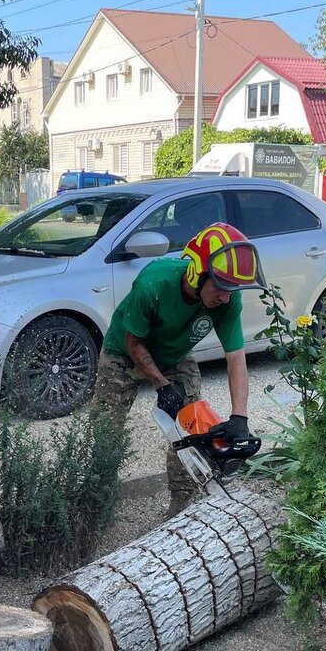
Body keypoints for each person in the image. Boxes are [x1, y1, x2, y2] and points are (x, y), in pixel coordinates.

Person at [91, 221, 266, 516]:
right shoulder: (155, 283)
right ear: (198, 272)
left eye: (232, 288)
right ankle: (97, 500)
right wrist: (161, 385)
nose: (226, 295)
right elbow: (134, 342)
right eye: (222, 286)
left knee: (191, 429)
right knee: (105, 431)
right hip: (123, 352)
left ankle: (180, 505)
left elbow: (236, 358)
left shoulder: (227, 300)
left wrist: (239, 417)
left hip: (175, 354)